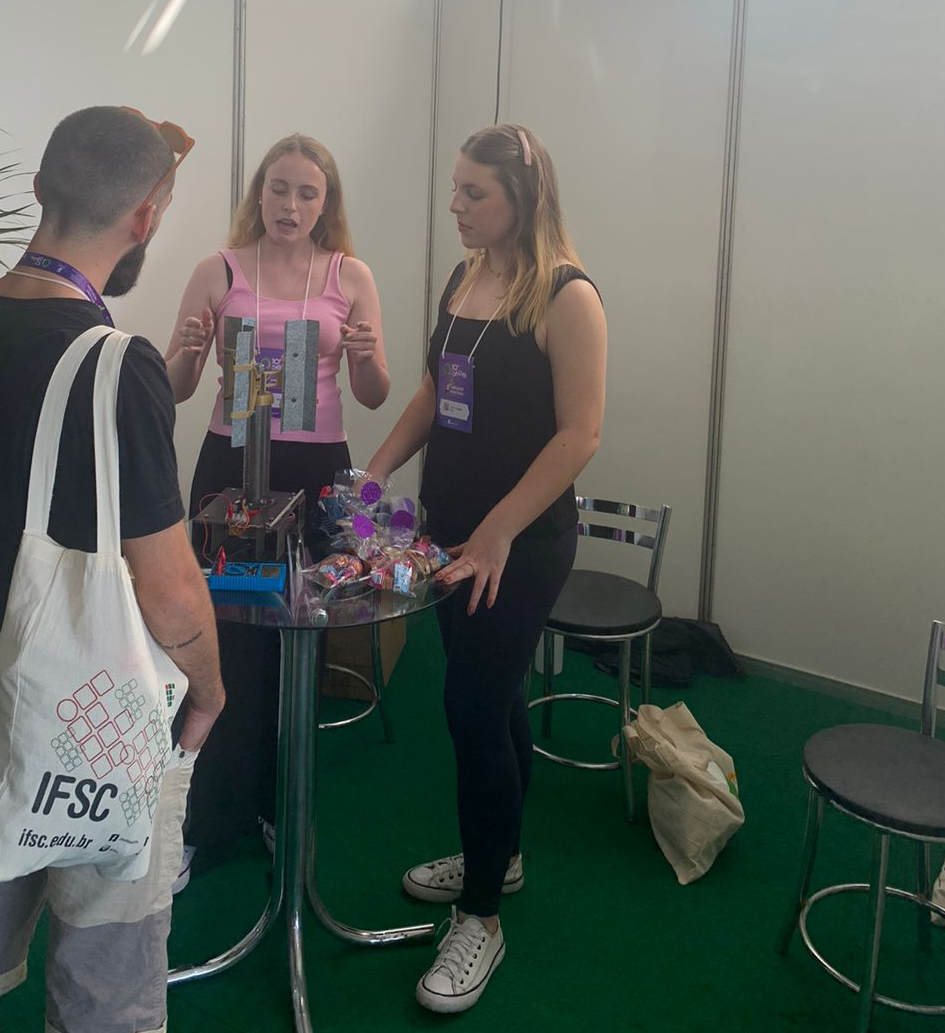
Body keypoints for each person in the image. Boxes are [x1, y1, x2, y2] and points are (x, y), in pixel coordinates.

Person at [0, 106, 225, 1033]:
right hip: (107, 729)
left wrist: (1, 606)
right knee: (107, 992)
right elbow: (166, 587)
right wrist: (208, 686)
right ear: (147, 219)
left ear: (39, 187)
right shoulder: (121, 366)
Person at [366, 123, 607, 1013]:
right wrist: (380, 466)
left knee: (469, 705)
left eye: (476, 194)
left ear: (525, 200)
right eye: (456, 190)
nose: (457, 207)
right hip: (450, 530)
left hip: (522, 540)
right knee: (493, 695)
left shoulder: (566, 296)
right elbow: (436, 387)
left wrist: (501, 530)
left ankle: (481, 919)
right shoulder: (466, 278)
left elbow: (580, 432)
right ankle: (498, 854)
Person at [165, 133, 389, 864]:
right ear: (257, 193)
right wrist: (190, 352)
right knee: (222, 637)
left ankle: (277, 806)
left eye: (307, 192)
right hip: (231, 460)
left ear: (327, 204)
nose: (290, 205)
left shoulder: (349, 274)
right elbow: (174, 386)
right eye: (279, 188)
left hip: (318, 466)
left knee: (302, 634)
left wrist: (364, 357)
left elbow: (375, 394)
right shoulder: (218, 269)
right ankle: (205, 816)